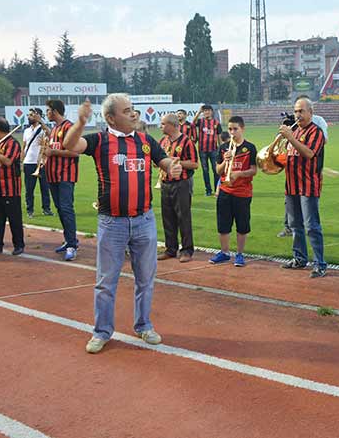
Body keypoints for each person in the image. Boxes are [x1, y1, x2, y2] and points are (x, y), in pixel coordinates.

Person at [62, 94, 182, 354]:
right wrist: (81, 122)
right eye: (127, 111)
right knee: (106, 282)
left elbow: (165, 161)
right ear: (110, 118)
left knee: (145, 279)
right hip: (112, 223)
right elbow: (70, 145)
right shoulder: (99, 141)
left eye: (133, 110)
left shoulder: (145, 140)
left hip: (144, 221)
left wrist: (173, 167)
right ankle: (102, 331)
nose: (133, 114)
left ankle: (144, 325)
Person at [279, 97, 328, 278]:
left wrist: (290, 138)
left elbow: (308, 153)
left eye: (301, 111)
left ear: (310, 113)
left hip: (308, 185)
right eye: (296, 111)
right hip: (291, 185)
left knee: (312, 226)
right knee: (295, 225)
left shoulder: (316, 132)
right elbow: (289, 155)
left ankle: (320, 264)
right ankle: (299, 258)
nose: (298, 115)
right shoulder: (295, 131)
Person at [209, 116, 258, 267]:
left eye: (235, 129)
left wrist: (239, 174)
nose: (232, 132)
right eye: (230, 129)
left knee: (242, 225)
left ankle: (240, 254)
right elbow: (218, 170)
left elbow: (254, 170)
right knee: (223, 224)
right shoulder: (223, 148)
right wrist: (225, 161)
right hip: (225, 190)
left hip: (243, 192)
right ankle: (224, 253)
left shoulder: (249, 147)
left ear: (242, 129)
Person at [157, 113, 198, 263]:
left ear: (171, 125)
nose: (160, 126)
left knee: (183, 217)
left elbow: (194, 164)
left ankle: (187, 250)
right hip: (165, 183)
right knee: (167, 217)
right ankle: (170, 249)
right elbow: (158, 161)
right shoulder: (163, 141)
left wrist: (177, 162)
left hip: (181, 183)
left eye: (163, 124)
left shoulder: (186, 141)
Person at [45, 99, 80, 261]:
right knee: (60, 209)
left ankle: (72, 245)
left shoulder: (69, 127)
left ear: (54, 111)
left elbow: (75, 152)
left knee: (66, 209)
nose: (46, 113)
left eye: (48, 110)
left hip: (65, 175)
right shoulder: (54, 129)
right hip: (52, 175)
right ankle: (69, 240)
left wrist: (52, 152)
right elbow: (53, 150)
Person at [0, 118, 24, 257]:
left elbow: (7, 161)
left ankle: (19, 245)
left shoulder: (12, 143)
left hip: (9, 189)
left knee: (14, 219)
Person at [21, 107, 53, 218]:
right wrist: (22, 161)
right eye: (29, 115)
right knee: (29, 189)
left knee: (45, 188)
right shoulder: (26, 130)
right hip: (29, 162)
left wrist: (41, 121)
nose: (29, 117)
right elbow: (24, 147)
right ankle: (30, 210)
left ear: (38, 116)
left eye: (31, 115)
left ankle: (46, 209)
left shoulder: (43, 128)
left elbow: (50, 134)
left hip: (42, 162)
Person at [192, 104, 222, 196]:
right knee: (205, 170)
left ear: (211, 112)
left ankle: (217, 189)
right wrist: (198, 112)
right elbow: (193, 123)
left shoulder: (216, 123)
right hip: (202, 150)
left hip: (214, 149)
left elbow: (219, 136)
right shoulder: (200, 121)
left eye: (208, 110)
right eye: (205, 111)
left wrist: (221, 148)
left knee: (215, 170)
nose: (206, 112)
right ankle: (208, 190)